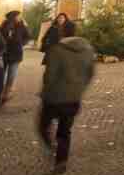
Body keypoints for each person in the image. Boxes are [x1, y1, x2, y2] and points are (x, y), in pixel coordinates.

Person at [39, 20, 96, 175]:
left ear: (62, 32)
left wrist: (45, 92)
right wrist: (80, 88)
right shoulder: (88, 50)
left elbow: (49, 76)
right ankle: (61, 161)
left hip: (54, 98)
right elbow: (91, 73)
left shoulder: (57, 50)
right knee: (65, 131)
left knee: (43, 126)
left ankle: (52, 147)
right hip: (73, 99)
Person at [0, 10, 31, 103]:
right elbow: (0, 36)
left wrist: (21, 43)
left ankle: (7, 92)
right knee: (2, 72)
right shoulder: (4, 25)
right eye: (18, 16)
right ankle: (0, 90)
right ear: (13, 17)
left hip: (16, 53)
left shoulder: (22, 25)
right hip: (5, 52)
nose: (20, 17)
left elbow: (28, 36)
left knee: (11, 74)